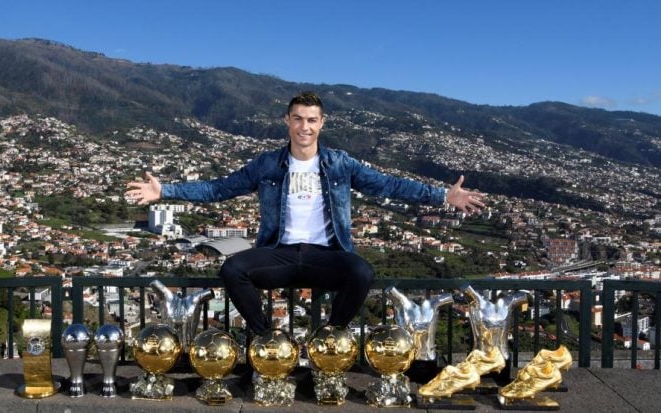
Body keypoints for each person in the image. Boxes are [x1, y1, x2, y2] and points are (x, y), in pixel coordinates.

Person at [126, 91, 485, 336]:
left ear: (322, 123)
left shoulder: (339, 164)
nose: (304, 127)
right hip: (280, 252)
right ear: (287, 121)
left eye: (311, 120)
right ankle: (267, 337)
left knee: (361, 271)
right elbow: (220, 188)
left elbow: (387, 184)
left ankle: (330, 336)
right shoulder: (268, 164)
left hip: (326, 255)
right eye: (298, 119)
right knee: (232, 268)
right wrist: (164, 191)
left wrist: (442, 195)